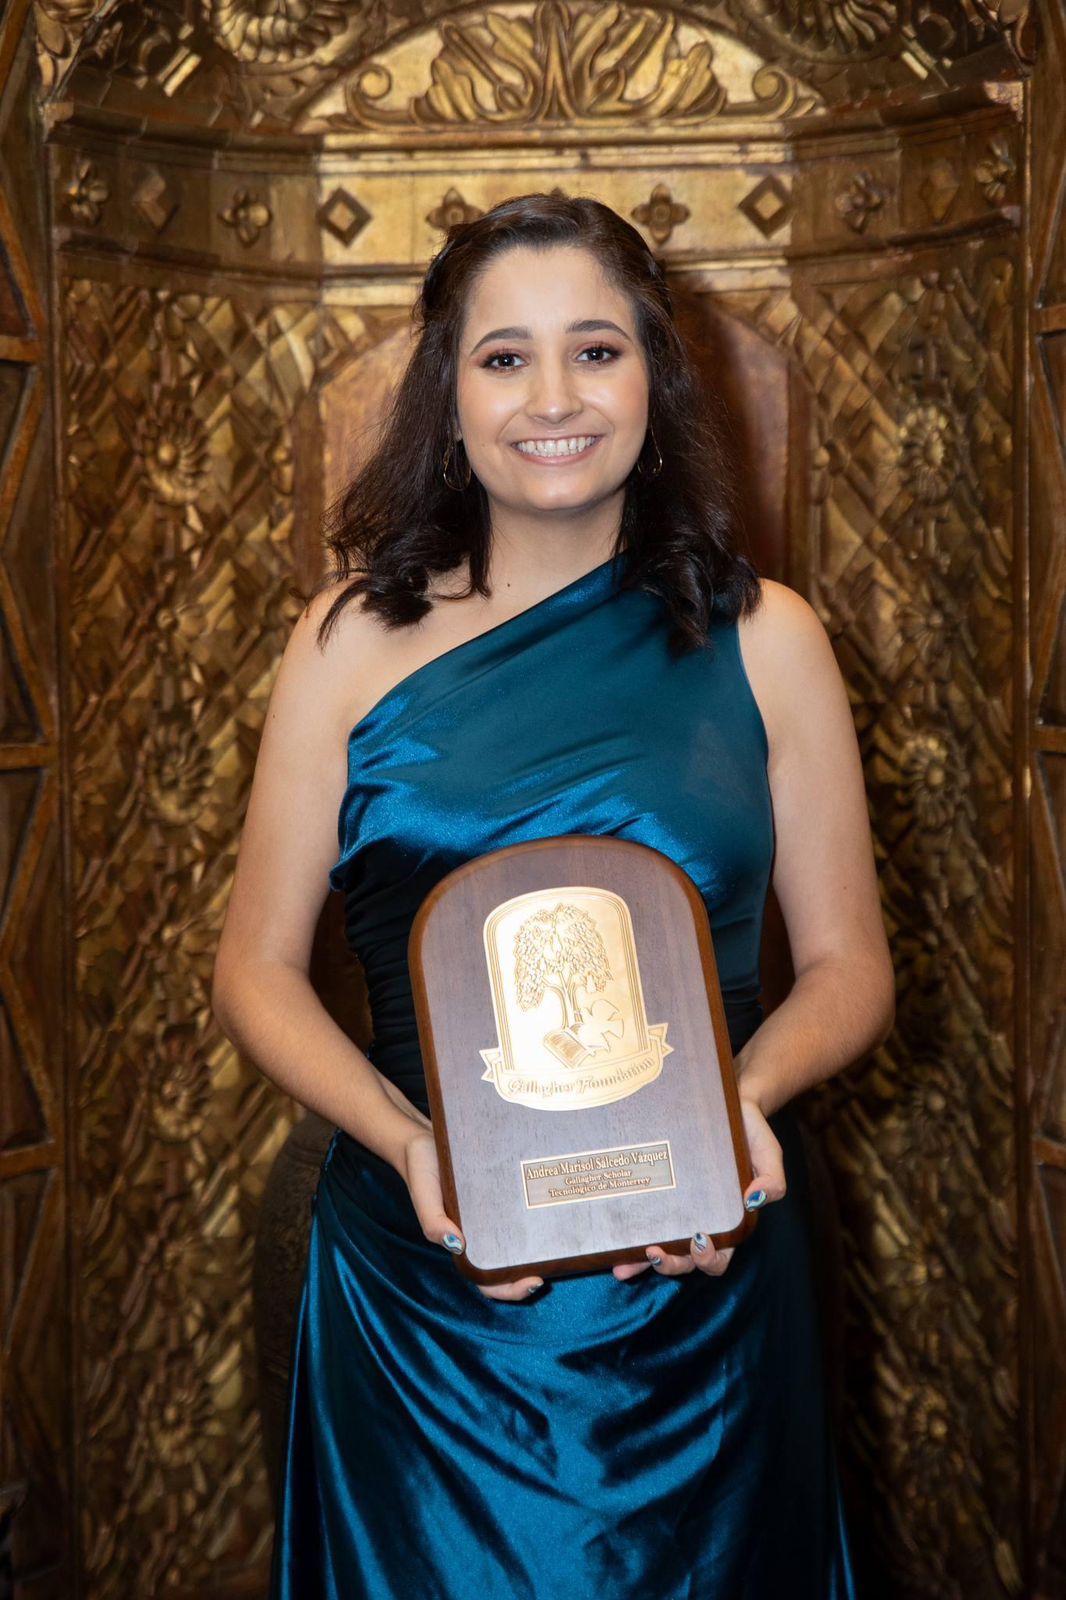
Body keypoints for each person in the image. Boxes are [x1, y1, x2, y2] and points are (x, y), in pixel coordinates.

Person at [212, 192, 895, 1599]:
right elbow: (253, 973)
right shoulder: (346, 641)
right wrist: (408, 1146)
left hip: (705, 1286)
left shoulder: (770, 640)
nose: (552, 399)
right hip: (427, 1289)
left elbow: (849, 968)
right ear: (447, 398)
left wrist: (737, 1108)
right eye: (503, 358)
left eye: (594, 350)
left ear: (655, 378)